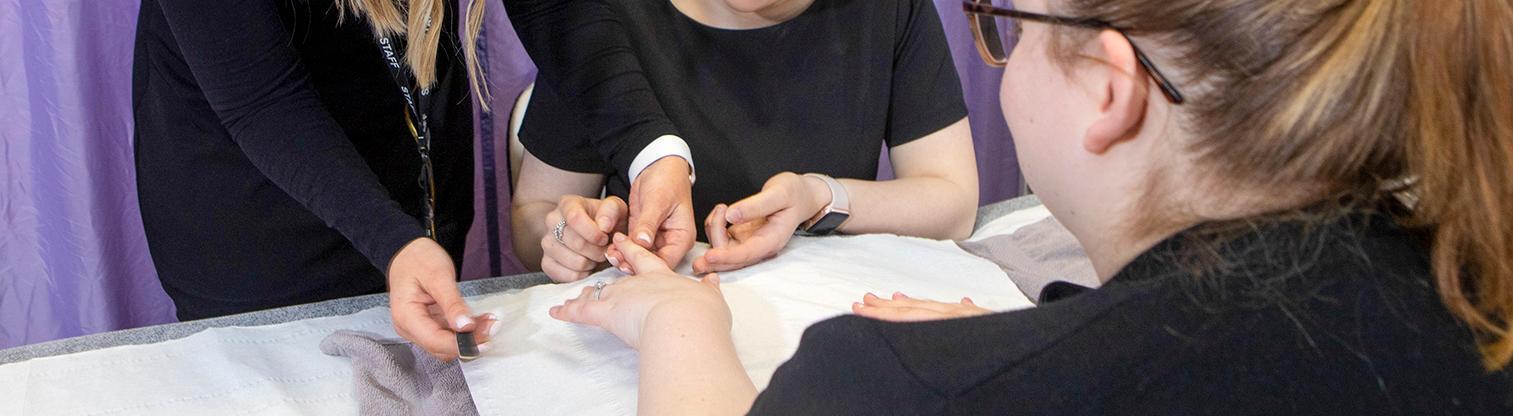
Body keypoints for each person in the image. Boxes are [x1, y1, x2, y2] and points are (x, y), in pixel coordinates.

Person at [546, 0, 1513, 413]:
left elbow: (951, 200)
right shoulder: (1475, 298)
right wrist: (1056, 338)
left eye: (1007, 24)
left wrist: (678, 326)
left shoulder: (885, 384)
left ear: (1107, 84)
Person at [510, 0, 981, 283]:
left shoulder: (887, 9)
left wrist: (820, 197)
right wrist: (574, 240)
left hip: (824, 330)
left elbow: (952, 199)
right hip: (650, 339)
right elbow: (536, 211)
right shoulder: (594, 21)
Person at [134, 0, 495, 358]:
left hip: (414, 200)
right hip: (261, 229)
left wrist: (546, 181)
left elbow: (544, 12)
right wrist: (394, 243)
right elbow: (263, 104)